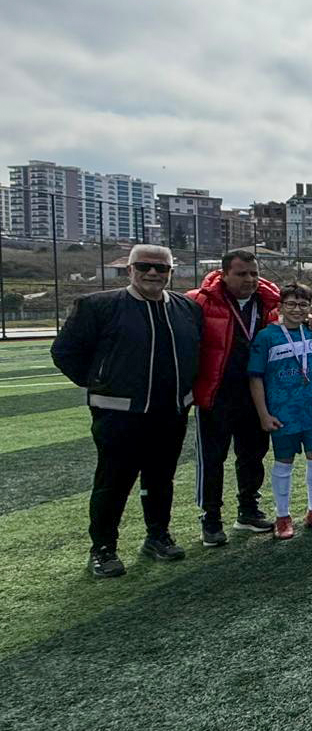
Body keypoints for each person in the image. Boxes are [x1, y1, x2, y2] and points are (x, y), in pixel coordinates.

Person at [53, 244, 204, 577]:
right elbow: (65, 352)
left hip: (170, 412)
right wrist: (102, 381)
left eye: (161, 268)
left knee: (161, 478)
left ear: (170, 273)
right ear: (130, 270)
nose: (153, 273)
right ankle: (103, 548)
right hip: (118, 414)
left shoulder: (187, 308)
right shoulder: (99, 306)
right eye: (144, 266)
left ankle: (157, 535)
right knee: (113, 482)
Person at [189, 249, 282, 546]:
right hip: (217, 394)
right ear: (224, 273)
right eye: (242, 274)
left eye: (254, 273)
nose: (250, 279)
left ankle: (248, 510)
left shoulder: (267, 303)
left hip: (255, 394)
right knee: (213, 458)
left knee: (253, 455)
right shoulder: (200, 301)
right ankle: (211, 517)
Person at [247, 281, 312, 538]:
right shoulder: (266, 336)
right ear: (280, 306)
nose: (297, 309)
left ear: (309, 307)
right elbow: (255, 378)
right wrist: (264, 414)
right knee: (284, 461)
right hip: (283, 411)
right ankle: (282, 516)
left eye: (303, 304)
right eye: (292, 304)